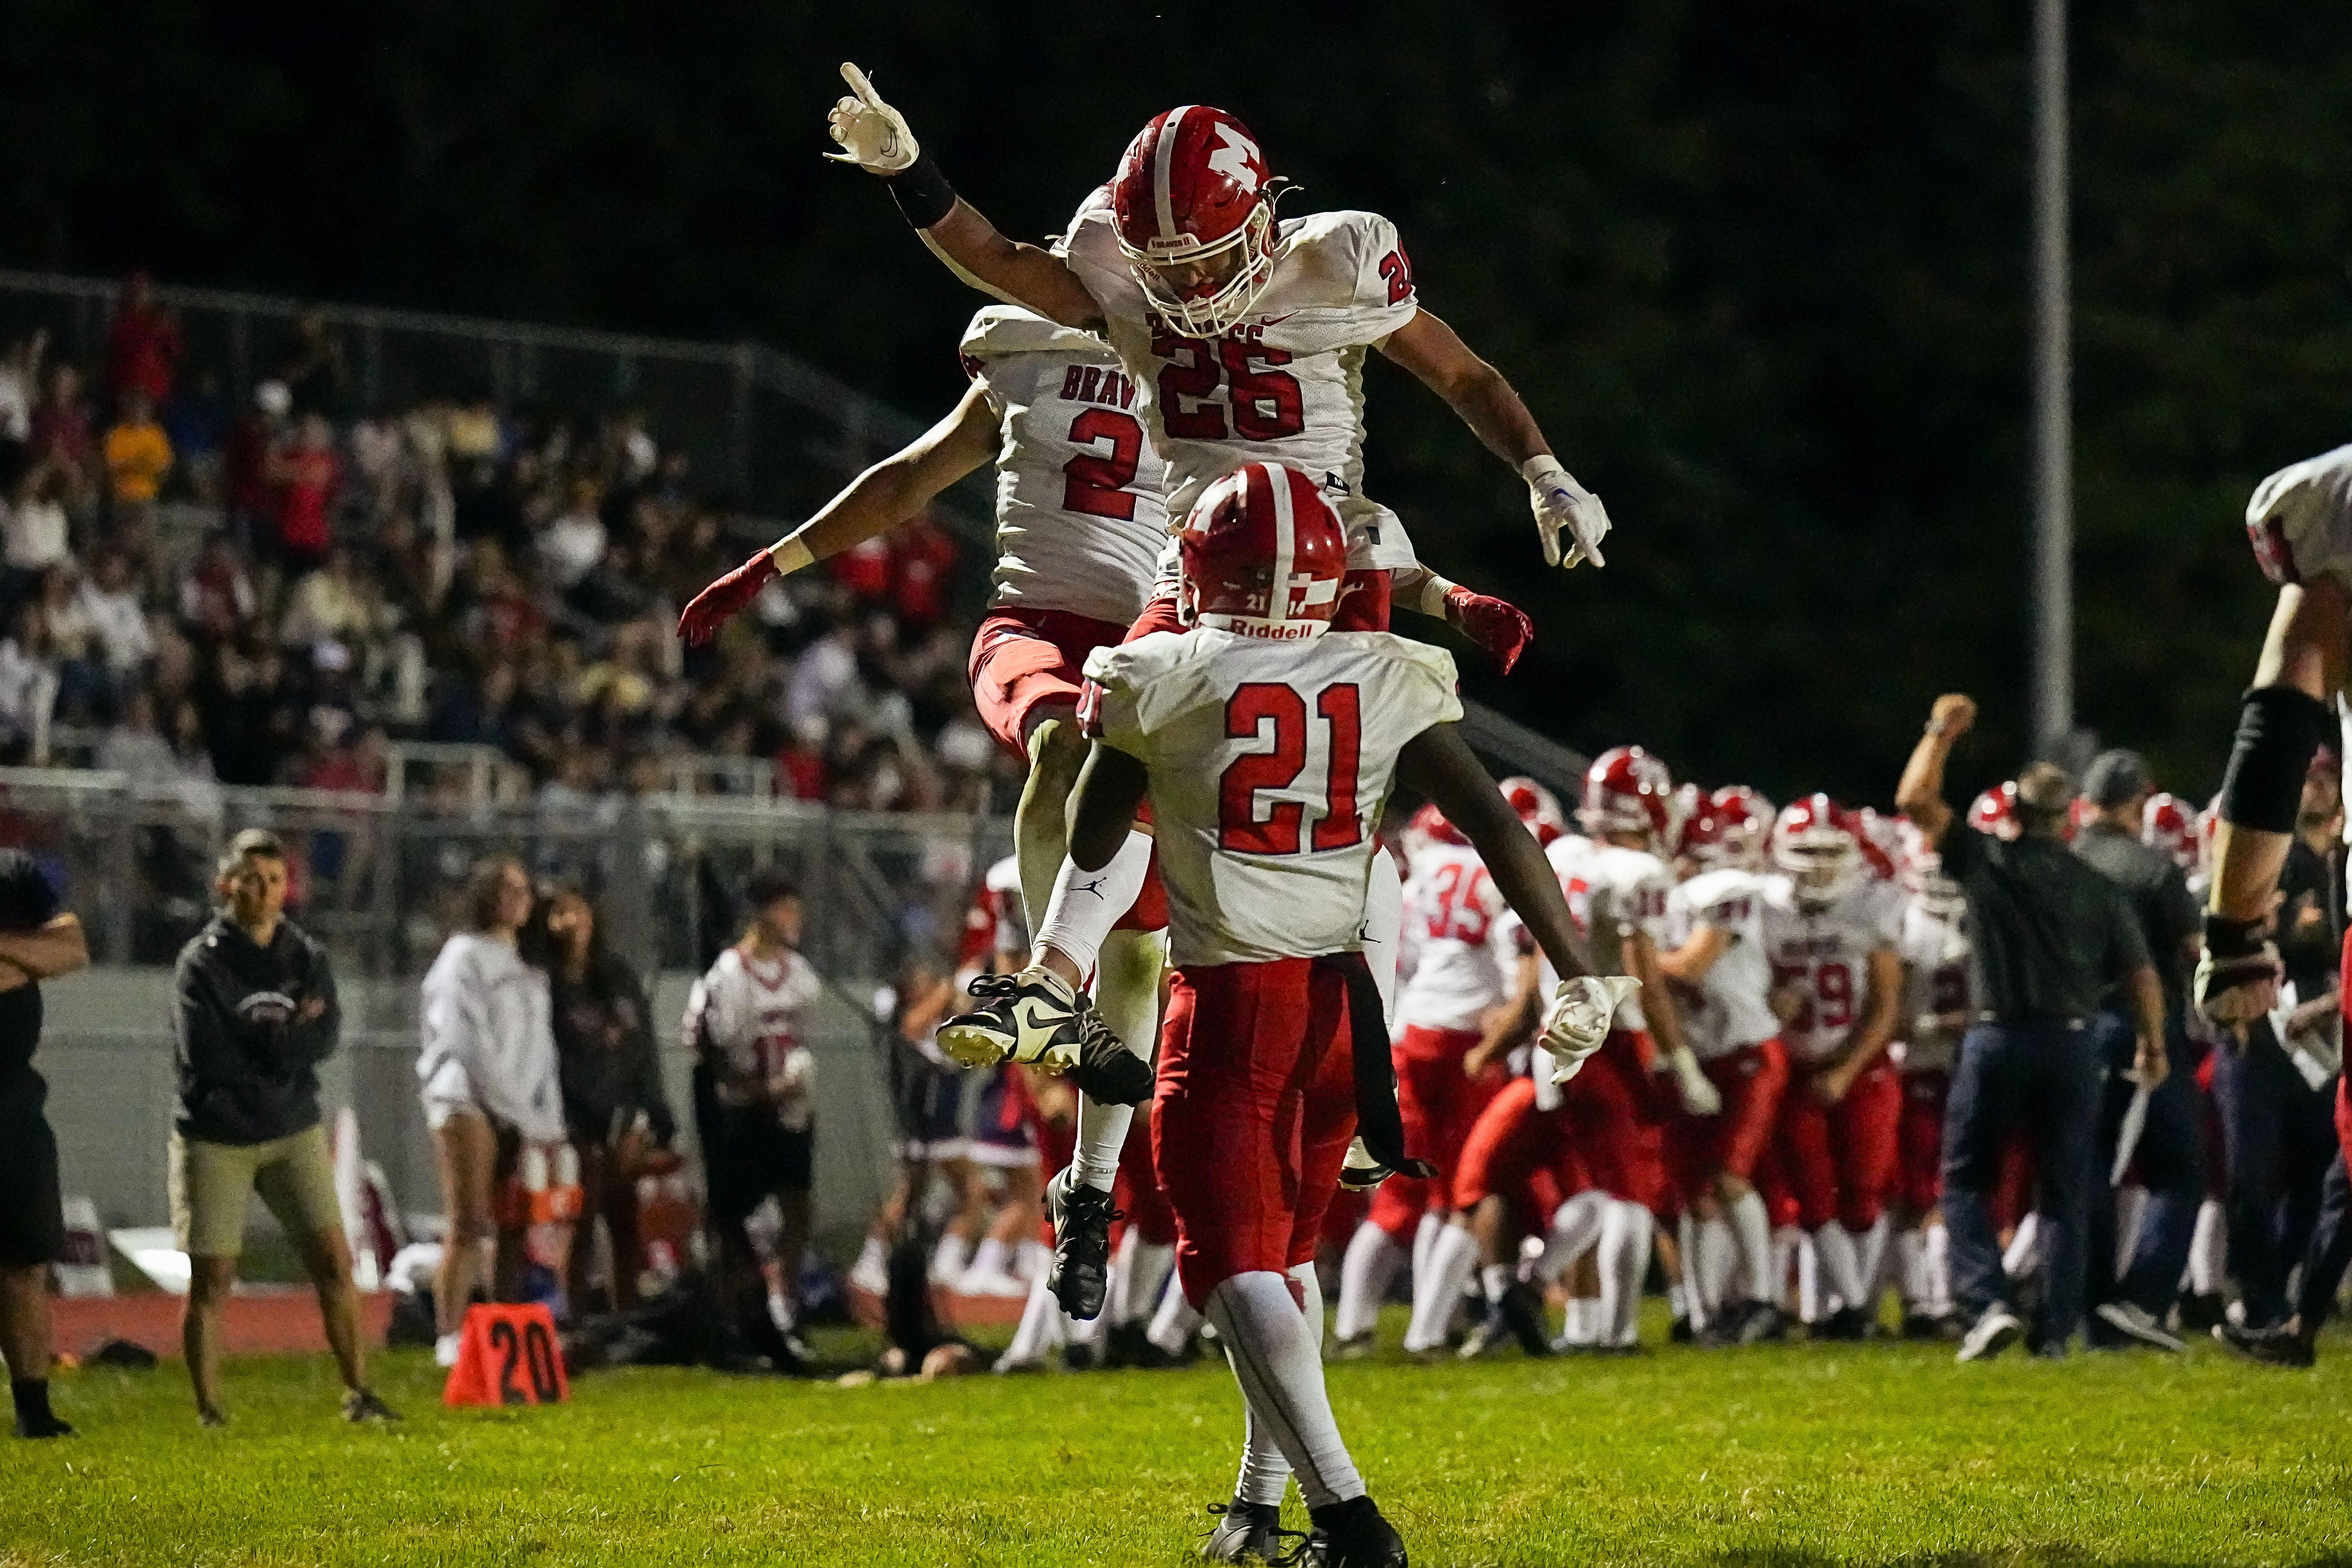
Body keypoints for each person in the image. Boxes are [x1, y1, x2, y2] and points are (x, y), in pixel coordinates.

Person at [1046, 462, 1634, 1567]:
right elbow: (1500, 828)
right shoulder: (1377, 670)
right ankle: (1259, 1508)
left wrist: (1122, 738)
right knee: (1286, 1257)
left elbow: (1091, 838)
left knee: (1230, 1264)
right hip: (1346, 1006)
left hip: (1228, 1008)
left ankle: (1351, 1519)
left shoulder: (1160, 670)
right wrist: (1575, 970)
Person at [1895, 694, 2167, 1361]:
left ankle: (1986, 1304)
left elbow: (1914, 800)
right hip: (2073, 1042)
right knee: (2065, 1192)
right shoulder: (2096, 884)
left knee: (1964, 1182)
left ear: (2013, 811)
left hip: (1999, 1036)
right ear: (2070, 816)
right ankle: (2054, 1333)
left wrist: (1940, 733)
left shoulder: (1988, 861)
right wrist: (2155, 1042)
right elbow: (2141, 974)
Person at [169, 830, 395, 1425]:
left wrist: (271, 1045)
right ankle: (208, 1408)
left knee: (334, 1262)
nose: (264, 891)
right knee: (213, 1277)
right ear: (227, 884)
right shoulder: (203, 961)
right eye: (251, 878)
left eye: (274, 880)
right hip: (218, 1133)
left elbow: (323, 1037)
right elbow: (206, 1055)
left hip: (292, 1126)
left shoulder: (304, 955)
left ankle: (359, 1392)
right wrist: (282, 1040)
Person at [2068, 750, 2205, 1352]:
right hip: (2140, 1025)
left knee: (2090, 1170)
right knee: (2180, 1171)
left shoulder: (2063, 865)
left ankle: (2092, 1308)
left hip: (2070, 1029)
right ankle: (2139, 1299)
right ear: (2137, 801)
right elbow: (2190, 949)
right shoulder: (2151, 869)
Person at [1759, 795, 1908, 1338]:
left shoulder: (1872, 903)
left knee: (1863, 1195)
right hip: (1798, 1068)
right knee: (1813, 1196)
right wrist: (1768, 1002)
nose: (1818, 864)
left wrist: (1846, 1069)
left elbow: (1887, 1003)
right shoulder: (1765, 905)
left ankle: (1855, 1305)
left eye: (1829, 851)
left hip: (1862, 1068)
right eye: (1807, 851)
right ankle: (1852, 1309)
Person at [417, 856, 565, 1367]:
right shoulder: (463, 955)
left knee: (514, 1223)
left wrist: (543, 1118)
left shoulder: (528, 964)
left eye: (523, 889)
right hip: (467, 1100)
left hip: (517, 1109)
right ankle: (450, 1334)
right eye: (504, 889)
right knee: (469, 1221)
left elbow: (542, 1047)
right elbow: (465, 1039)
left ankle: (502, 1326)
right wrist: (508, 1104)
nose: (516, 898)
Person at [1659, 785, 1792, 1344]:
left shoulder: (1730, 888)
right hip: (1701, 1052)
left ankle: (1763, 1300)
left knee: (1731, 1177)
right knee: (1694, 1189)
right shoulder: (1666, 891)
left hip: (1747, 1052)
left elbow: (1690, 966)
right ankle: (1701, 1306)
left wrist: (1617, 957)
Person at [683, 866, 823, 1371]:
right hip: (741, 1109)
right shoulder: (730, 975)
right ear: (764, 914)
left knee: (797, 1206)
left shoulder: (799, 974)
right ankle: (742, 1312)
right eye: (786, 908)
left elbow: (800, 1034)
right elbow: (713, 1052)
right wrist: (764, 1089)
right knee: (732, 1217)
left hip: (784, 1107)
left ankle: (785, 1306)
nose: (795, 919)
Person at [530, 882, 675, 1312]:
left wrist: (653, 1114)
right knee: (581, 1219)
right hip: (573, 1121)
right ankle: (573, 1314)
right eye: (560, 913)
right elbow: (545, 1059)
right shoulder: (546, 985)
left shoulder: (618, 976)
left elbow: (642, 1046)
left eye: (577, 909)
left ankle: (625, 1315)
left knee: (624, 1220)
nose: (571, 921)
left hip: (622, 1120)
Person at [0, 850, 87, 1438]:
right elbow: (44, 956)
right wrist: (25, 956)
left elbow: (71, 947)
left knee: (25, 1261)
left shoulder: (13, 875)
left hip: (12, 1103)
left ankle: (35, 1410)